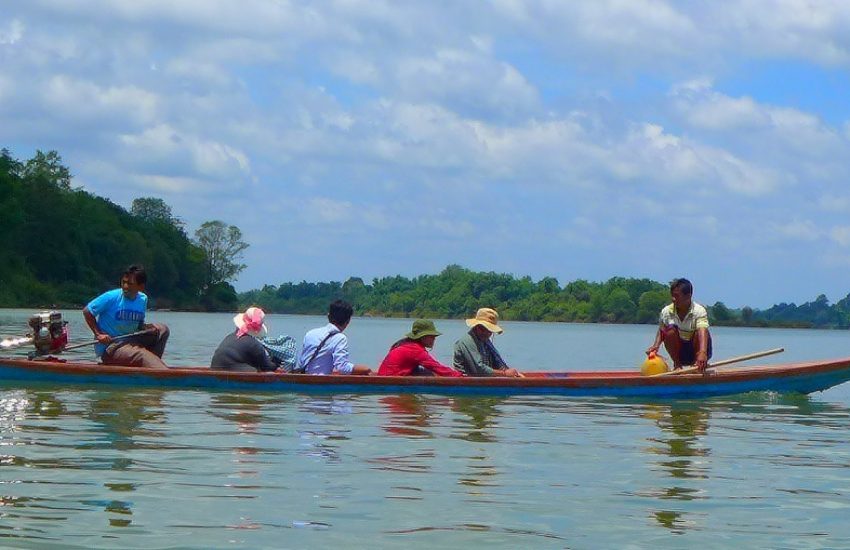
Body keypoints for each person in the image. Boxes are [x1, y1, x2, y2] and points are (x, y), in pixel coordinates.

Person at [82, 264, 170, 369]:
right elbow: (87, 311)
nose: (125, 287)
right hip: (112, 347)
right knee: (142, 355)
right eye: (124, 282)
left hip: (132, 341)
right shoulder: (111, 297)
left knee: (162, 329)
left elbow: (139, 324)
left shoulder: (143, 299)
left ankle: (151, 368)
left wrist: (148, 328)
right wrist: (98, 334)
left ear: (141, 287)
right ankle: (160, 371)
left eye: (130, 284)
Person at [646, 278, 713, 371]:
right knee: (670, 331)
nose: (673, 299)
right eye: (672, 296)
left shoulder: (699, 310)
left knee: (700, 333)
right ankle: (677, 365)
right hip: (680, 353)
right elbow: (661, 330)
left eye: (676, 296)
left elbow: (702, 331)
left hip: (697, 351)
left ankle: (697, 365)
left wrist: (703, 352)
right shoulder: (666, 311)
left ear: (688, 296)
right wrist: (655, 346)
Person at [297, 300, 371, 375]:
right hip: (320, 382)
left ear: (328, 316)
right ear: (348, 321)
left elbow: (301, 363)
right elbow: (342, 367)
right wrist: (366, 369)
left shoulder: (310, 334)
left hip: (303, 379)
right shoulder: (340, 338)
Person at [377, 319, 463, 377]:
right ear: (422, 337)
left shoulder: (404, 344)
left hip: (387, 376)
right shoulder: (415, 350)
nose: (434, 339)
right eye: (431, 336)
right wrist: (459, 376)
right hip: (391, 379)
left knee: (426, 372)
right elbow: (436, 367)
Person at [452, 308, 522, 377]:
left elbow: (498, 364)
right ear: (476, 326)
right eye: (482, 328)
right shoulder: (467, 341)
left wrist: (511, 373)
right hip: (466, 382)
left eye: (489, 330)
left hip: (483, 381)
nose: (486, 333)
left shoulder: (485, 341)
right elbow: (479, 369)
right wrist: (505, 374)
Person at [210, 307, 279, 372]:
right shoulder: (254, 344)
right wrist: (277, 361)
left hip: (214, 368)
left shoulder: (229, 337)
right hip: (235, 370)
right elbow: (268, 368)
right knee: (256, 370)